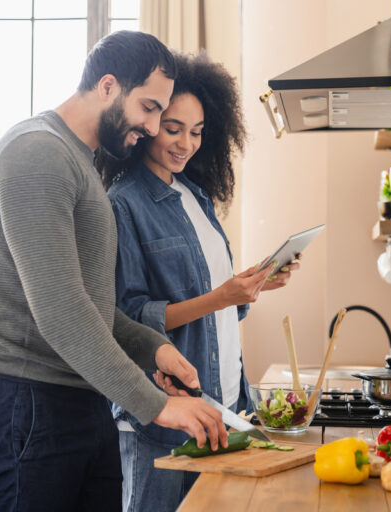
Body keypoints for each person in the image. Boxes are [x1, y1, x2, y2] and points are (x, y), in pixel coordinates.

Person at [0, 31, 228, 512]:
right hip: (31, 401)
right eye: (147, 108)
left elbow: (92, 306)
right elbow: (61, 312)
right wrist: (158, 404)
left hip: (77, 398)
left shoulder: (78, 162)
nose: (151, 127)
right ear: (107, 87)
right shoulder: (38, 154)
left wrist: (156, 348)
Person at [97, 51, 300, 512]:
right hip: (163, 414)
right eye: (172, 129)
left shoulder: (196, 196)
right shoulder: (123, 204)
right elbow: (129, 318)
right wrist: (219, 297)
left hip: (224, 400)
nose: (185, 143)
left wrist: (251, 287)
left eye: (196, 131)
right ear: (148, 125)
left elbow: (209, 303)